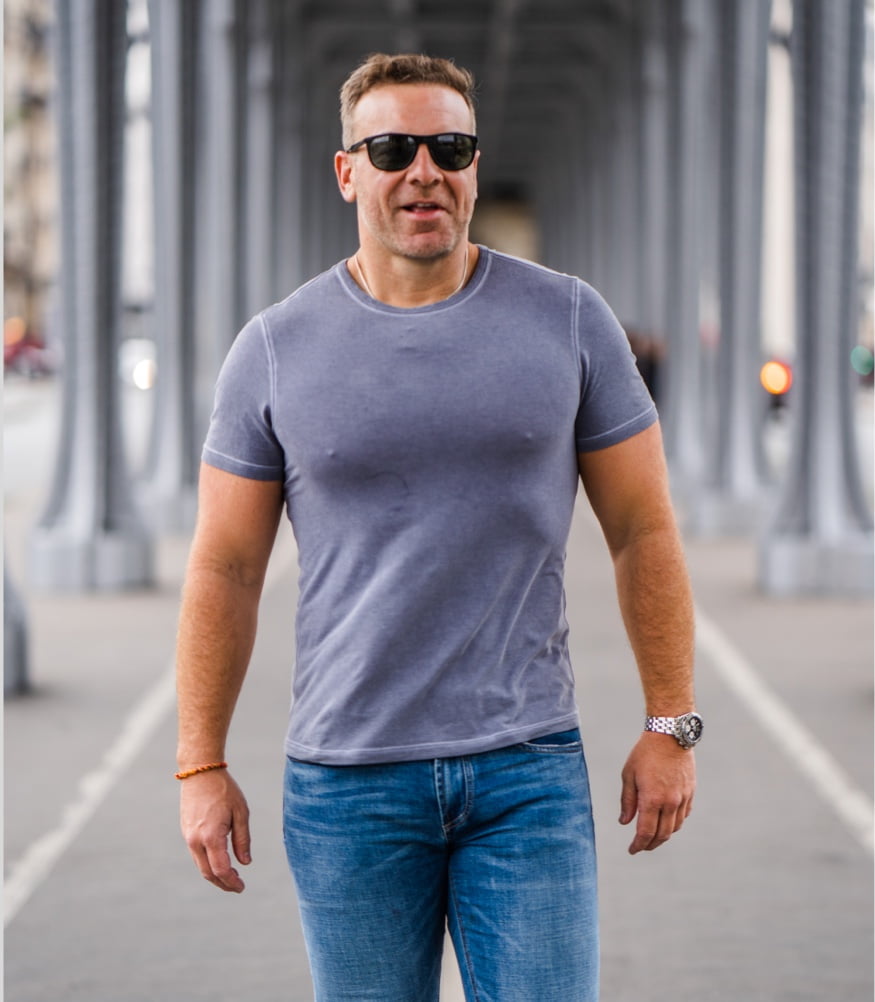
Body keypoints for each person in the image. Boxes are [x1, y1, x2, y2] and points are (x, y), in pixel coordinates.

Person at [175, 52, 700, 1002]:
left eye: (447, 147)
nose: (423, 169)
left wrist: (672, 722)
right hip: (346, 785)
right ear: (347, 171)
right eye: (391, 148)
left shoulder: (571, 320)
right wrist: (199, 762)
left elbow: (643, 531)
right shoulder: (274, 349)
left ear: (471, 162)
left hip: (526, 775)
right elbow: (225, 566)